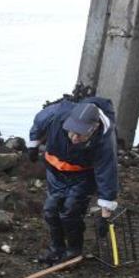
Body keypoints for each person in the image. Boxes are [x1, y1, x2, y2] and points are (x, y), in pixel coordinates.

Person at [27, 94, 119, 265]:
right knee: (50, 210)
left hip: (82, 176)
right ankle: (57, 249)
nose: (75, 138)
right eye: (72, 132)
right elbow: (39, 121)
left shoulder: (104, 141)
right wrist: (33, 144)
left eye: (81, 134)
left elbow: (107, 173)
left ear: (93, 128)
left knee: (70, 212)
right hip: (55, 172)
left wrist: (105, 215)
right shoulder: (58, 113)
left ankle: (74, 251)